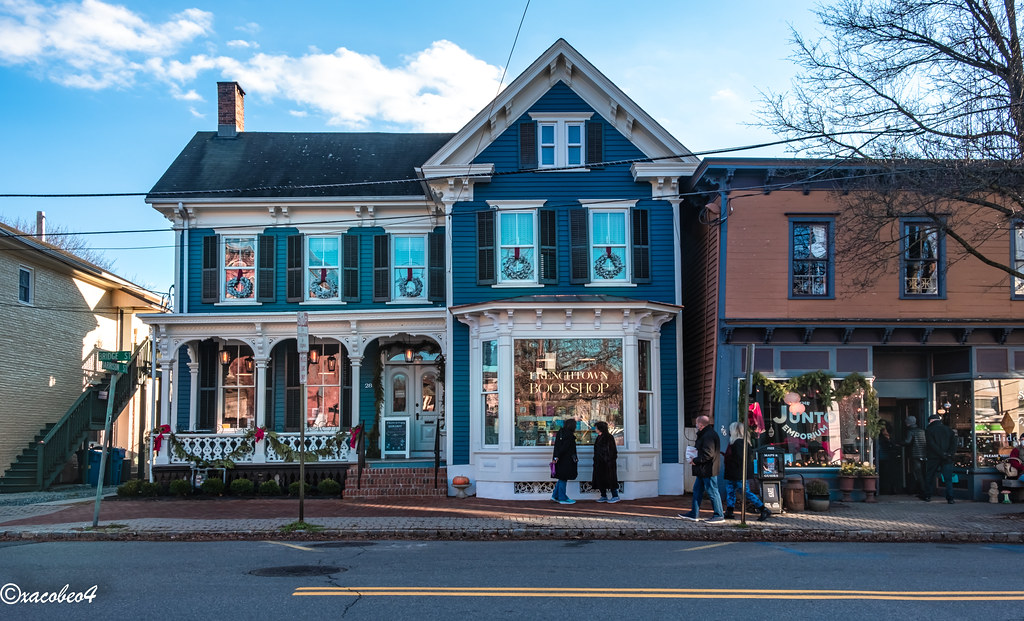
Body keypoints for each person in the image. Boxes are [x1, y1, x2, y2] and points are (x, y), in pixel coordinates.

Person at [678, 415, 725, 523]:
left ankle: (719, 515)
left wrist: (696, 460)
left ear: (700, 425)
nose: (695, 425)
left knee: (712, 491)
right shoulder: (709, 434)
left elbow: (708, 454)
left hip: (707, 469)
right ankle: (694, 513)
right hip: (704, 469)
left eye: (696, 423)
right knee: (697, 490)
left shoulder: (707, 436)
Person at [723, 421, 769, 521]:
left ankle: (763, 508)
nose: (729, 431)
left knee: (744, 492)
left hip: (737, 472)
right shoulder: (743, 442)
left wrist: (729, 460)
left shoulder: (738, 442)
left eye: (731, 429)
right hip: (736, 472)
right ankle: (729, 511)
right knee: (731, 491)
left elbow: (740, 459)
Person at [923, 412, 956, 503]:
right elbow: (954, 443)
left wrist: (941, 453)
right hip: (947, 458)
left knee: (930, 476)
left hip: (933, 457)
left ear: (931, 421)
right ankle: (950, 498)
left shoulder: (929, 430)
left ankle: (928, 496)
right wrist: (949, 454)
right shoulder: (948, 429)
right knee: (948, 478)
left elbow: (931, 444)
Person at [550, 417, 578, 505]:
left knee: (561, 477)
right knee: (563, 478)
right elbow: (565, 448)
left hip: (560, 459)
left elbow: (558, 446)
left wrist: (556, 457)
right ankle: (562, 497)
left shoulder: (561, 432)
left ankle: (555, 495)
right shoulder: (569, 435)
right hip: (566, 460)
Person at [591, 420, 619, 503]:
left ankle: (615, 496)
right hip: (600, 463)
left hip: (607, 463)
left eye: (596, 428)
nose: (595, 429)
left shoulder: (608, 437)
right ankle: (603, 495)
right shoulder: (599, 437)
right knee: (601, 479)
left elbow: (611, 451)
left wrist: (608, 460)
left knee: (610, 479)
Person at [902, 415, 927, 497]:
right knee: (922, 473)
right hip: (923, 454)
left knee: (917, 473)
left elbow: (907, 441)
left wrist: (899, 443)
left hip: (915, 454)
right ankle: (922, 490)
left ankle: (921, 491)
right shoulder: (922, 431)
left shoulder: (910, 431)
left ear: (908, 423)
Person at [877, 420, 899, 495]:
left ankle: (888, 489)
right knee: (886, 474)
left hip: (886, 458)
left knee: (887, 474)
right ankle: (887, 489)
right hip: (884, 458)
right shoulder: (884, 438)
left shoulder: (887, 438)